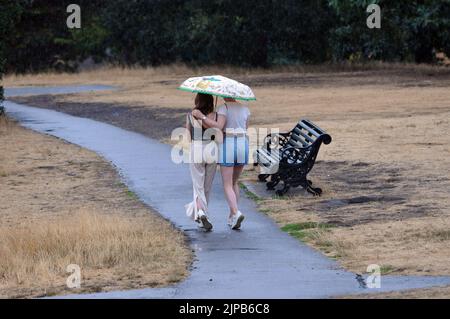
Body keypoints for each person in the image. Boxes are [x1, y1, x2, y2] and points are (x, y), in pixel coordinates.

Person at [192, 97, 250, 230]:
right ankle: (232, 216)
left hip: (228, 144)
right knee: (234, 182)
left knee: (227, 184)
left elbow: (218, 127)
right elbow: (246, 128)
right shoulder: (246, 109)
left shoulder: (224, 108)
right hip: (243, 144)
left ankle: (235, 212)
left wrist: (201, 117)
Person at [185, 93, 219, 231]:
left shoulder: (190, 115)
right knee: (207, 186)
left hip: (197, 148)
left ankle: (200, 212)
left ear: (197, 100)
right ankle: (201, 215)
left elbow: (187, 136)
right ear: (211, 101)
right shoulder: (215, 116)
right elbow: (218, 132)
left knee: (198, 185)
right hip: (212, 149)